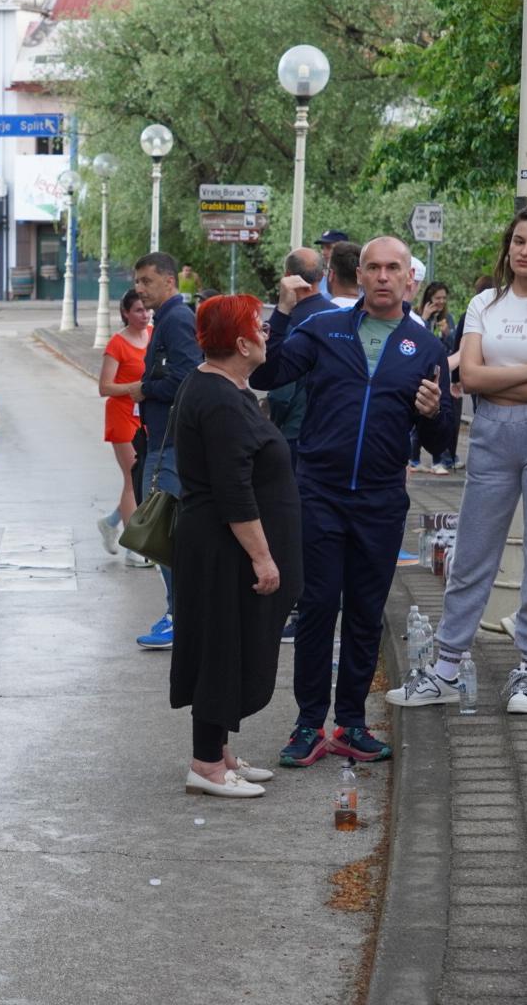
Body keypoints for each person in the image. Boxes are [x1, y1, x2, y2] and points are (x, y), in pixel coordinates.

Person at [253, 236, 455, 767]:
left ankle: (351, 724)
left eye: (394, 268)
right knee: (319, 607)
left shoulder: (427, 348)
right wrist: (281, 310)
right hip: (318, 490)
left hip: (382, 498)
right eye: (374, 268)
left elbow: (443, 442)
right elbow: (265, 374)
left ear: (410, 278)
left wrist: (433, 413)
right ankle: (307, 724)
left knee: (366, 612)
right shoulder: (321, 330)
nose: (384, 276)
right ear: (358, 276)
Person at [386, 206, 527, 716]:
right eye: (518, 241)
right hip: (492, 432)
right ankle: (446, 666)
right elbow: (469, 378)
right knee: (473, 551)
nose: (523, 251)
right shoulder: (484, 303)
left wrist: (514, 374)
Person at [174, 295, 302, 798]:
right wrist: (263, 556)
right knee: (221, 650)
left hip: (221, 546)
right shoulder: (220, 398)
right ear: (242, 342)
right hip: (224, 550)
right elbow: (233, 490)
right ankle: (206, 766)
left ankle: (219, 753)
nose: (267, 333)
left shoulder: (223, 387)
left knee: (227, 645)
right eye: (260, 327)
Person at [126, 252, 203, 649]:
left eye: (146, 281)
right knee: (166, 533)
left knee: (165, 534)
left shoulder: (176, 320)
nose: (139, 289)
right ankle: (180, 613)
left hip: (171, 445)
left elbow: (186, 378)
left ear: (169, 282)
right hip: (161, 440)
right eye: (138, 282)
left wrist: (146, 389)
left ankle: (179, 617)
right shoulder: (169, 319)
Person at [264, 248, 335, 474]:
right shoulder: (340, 318)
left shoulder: (287, 321)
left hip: (294, 430)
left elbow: (279, 391)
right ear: (322, 276)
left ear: (287, 277)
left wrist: (275, 421)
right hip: (330, 428)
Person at [95, 290, 151, 560]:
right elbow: (104, 387)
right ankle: (134, 545)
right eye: (138, 310)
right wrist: (135, 388)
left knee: (141, 479)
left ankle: (111, 522)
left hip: (145, 416)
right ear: (126, 313)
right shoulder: (117, 344)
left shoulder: (152, 335)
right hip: (122, 414)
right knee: (132, 477)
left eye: (147, 309)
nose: (145, 315)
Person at [410, 282, 459, 473]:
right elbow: (416, 338)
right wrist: (425, 318)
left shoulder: (448, 318)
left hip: (443, 369)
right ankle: (414, 458)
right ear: (429, 297)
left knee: (439, 412)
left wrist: (447, 332)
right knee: (419, 413)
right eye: (438, 297)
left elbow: (453, 343)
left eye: (444, 298)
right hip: (422, 370)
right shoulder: (418, 314)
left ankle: (439, 460)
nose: (441, 301)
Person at [315, 230, 349, 295]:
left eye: (329, 247)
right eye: (322, 248)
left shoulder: (356, 280)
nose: (323, 252)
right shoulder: (318, 279)